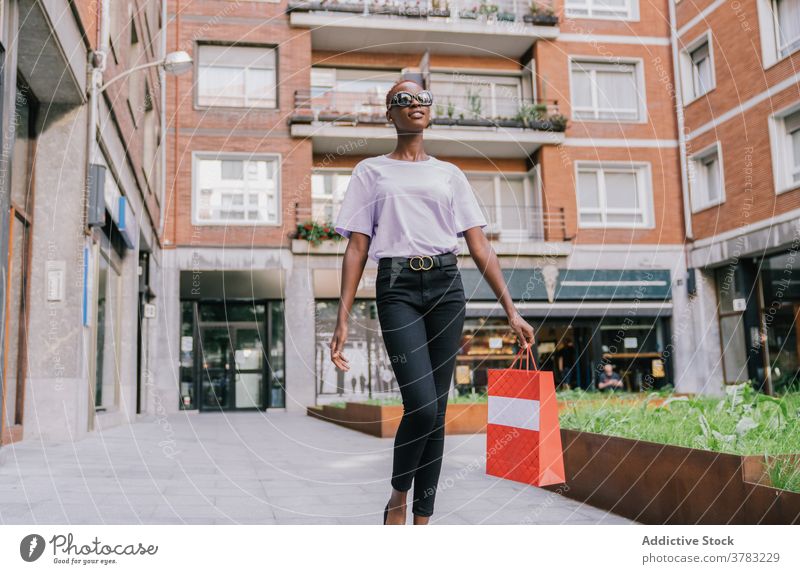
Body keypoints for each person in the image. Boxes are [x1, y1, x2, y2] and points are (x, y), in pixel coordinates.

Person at [329, 80, 535, 526]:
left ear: (430, 110)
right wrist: (342, 316)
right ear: (389, 114)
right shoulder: (371, 171)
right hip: (397, 286)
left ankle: (423, 519)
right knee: (421, 405)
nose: (414, 104)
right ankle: (398, 496)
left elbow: (480, 248)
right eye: (402, 99)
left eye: (421, 98)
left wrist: (511, 310)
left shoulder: (450, 174)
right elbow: (356, 248)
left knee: (436, 411)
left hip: (446, 286)